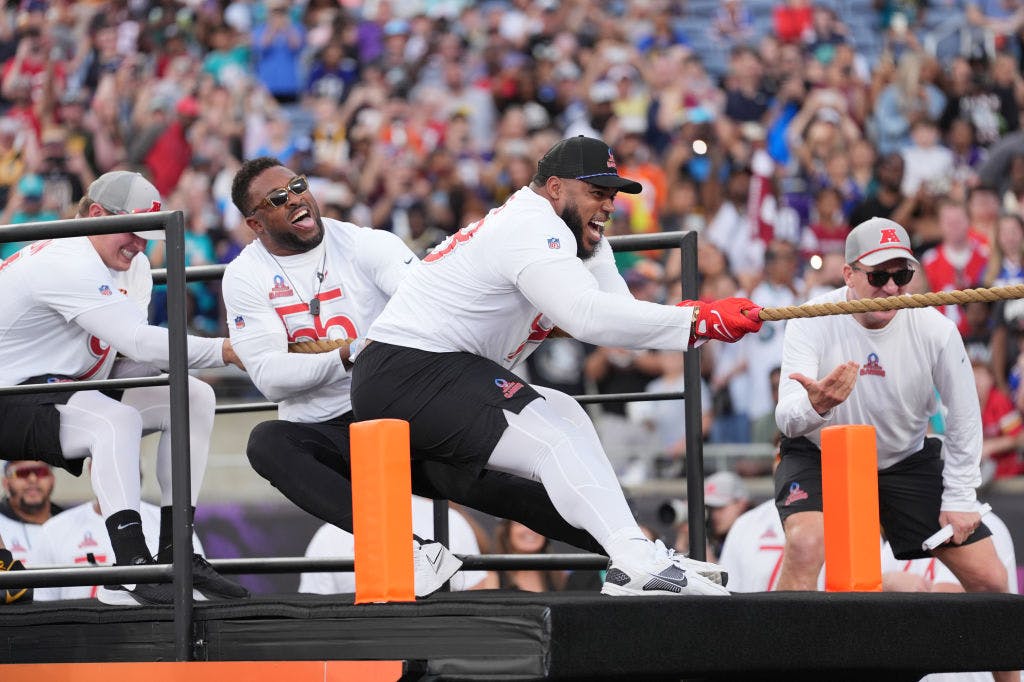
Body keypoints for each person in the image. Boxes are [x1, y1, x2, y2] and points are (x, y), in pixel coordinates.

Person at [352, 135, 764, 597]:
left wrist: (685, 314)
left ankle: (634, 556)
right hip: (405, 370)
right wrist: (695, 320)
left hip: (440, 369)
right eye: (597, 192)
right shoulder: (530, 225)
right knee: (551, 437)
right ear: (554, 188)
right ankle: (633, 560)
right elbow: (585, 316)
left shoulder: (582, 236)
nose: (608, 205)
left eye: (613, 194)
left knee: (567, 414)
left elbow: (618, 322)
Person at [224, 156, 621, 598]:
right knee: (267, 443)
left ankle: (630, 552)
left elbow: (433, 313)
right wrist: (355, 351)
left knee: (501, 488)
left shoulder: (365, 244)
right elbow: (272, 378)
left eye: (298, 185)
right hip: (328, 432)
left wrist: (315, 357)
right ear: (256, 223)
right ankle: (409, 551)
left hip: (397, 410)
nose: (297, 198)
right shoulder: (245, 275)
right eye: (279, 198)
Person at [774, 217, 1017, 681]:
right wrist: (816, 405)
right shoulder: (810, 319)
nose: (890, 287)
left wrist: (962, 495)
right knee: (806, 545)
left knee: (991, 581)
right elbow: (788, 417)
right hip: (821, 454)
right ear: (848, 274)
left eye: (901, 275)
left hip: (905, 459)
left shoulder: (935, 328)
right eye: (878, 275)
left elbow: (965, 415)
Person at [0, 170, 248, 607]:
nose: (140, 246)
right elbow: (136, 341)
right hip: (11, 392)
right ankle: (132, 569)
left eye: (147, 236)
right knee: (115, 419)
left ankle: (177, 553)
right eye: (132, 233)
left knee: (192, 397)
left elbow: (124, 355)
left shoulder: (125, 264)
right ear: (96, 215)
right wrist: (230, 350)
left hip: (60, 385)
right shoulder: (65, 259)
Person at [30, 495, 205, 601]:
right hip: (79, 639)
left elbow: (196, 587)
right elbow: (42, 599)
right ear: (91, 470)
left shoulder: (168, 523)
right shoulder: (55, 529)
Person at [299, 496, 487, 595]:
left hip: (437, 647)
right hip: (360, 653)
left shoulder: (451, 520)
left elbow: (474, 592)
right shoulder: (329, 535)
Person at [0, 460, 63, 565]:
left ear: (52, 479)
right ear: (6, 483)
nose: (32, 479)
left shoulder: (72, 522)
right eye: (22, 473)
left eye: (40, 472)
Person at [704, 471, 752, 561]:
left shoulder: (756, 537)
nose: (714, 515)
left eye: (720, 508)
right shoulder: (713, 536)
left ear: (741, 504)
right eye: (710, 508)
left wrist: (703, 551)